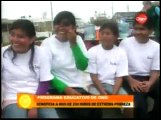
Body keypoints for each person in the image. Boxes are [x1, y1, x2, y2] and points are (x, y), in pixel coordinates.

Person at [41, 11, 102, 118]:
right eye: (57, 24)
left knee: (96, 110)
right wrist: (66, 89)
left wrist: (73, 44)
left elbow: (82, 66)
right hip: (57, 88)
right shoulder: (47, 43)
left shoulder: (77, 40)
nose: (61, 27)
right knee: (80, 110)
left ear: (73, 27)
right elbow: (46, 72)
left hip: (77, 87)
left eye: (66, 24)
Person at [1, 19, 59, 118]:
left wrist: (33, 105)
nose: (14, 39)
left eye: (20, 36)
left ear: (32, 39)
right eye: (12, 34)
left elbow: (44, 82)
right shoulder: (3, 53)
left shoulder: (42, 53)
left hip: (39, 96)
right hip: (13, 98)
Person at [86, 21, 133, 118]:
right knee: (96, 104)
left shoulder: (120, 53)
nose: (104, 36)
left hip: (113, 85)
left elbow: (120, 77)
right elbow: (94, 77)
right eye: (102, 33)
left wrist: (114, 95)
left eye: (107, 33)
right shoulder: (93, 51)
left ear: (115, 36)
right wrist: (103, 94)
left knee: (129, 104)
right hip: (95, 85)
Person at [119, 12, 160, 119]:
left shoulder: (156, 47)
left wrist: (150, 83)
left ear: (151, 30)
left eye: (142, 29)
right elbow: (120, 66)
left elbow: (156, 70)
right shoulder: (125, 43)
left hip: (149, 79)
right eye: (136, 28)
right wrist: (131, 80)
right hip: (130, 78)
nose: (138, 32)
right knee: (139, 105)